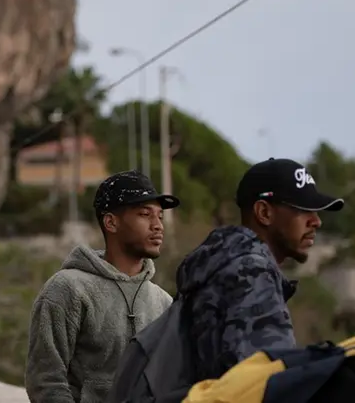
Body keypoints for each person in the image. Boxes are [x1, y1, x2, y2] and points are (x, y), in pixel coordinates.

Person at [175, 157, 344, 381]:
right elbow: (263, 385)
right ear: (264, 212)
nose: (317, 221)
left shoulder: (223, 264)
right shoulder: (251, 272)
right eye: (303, 209)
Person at [25, 170, 180, 403]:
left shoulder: (164, 302)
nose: (158, 225)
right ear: (111, 222)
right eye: (145, 214)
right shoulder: (68, 289)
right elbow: (45, 382)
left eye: (159, 216)